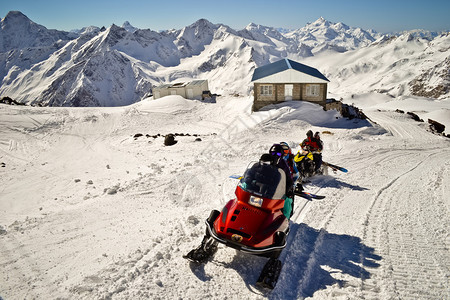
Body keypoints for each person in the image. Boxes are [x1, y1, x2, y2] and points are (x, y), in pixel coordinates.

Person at [269, 144, 294, 219]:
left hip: (279, 188)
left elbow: (289, 178)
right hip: (266, 186)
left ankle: (285, 220)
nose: (275, 155)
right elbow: (258, 170)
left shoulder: (284, 164)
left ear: (281, 155)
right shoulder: (266, 159)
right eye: (273, 153)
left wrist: (289, 188)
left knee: (287, 201)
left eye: (278, 153)